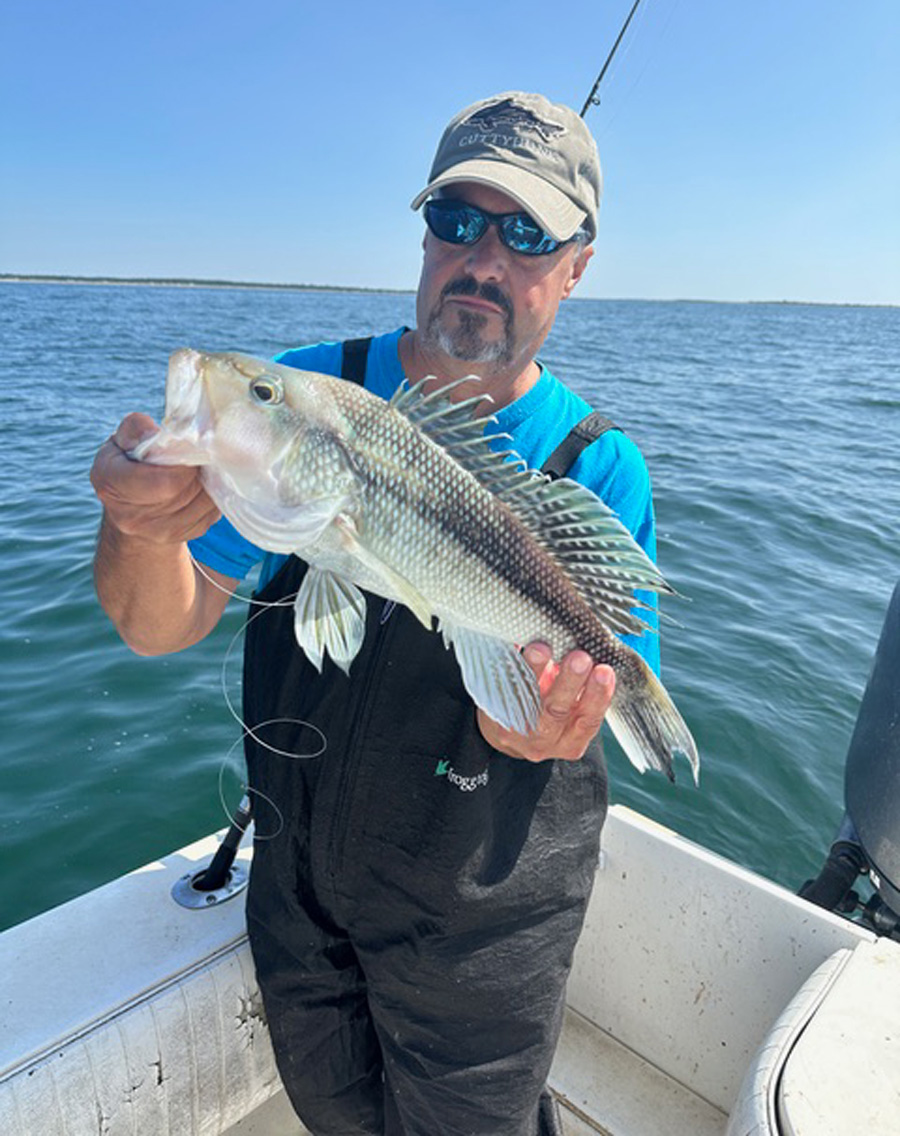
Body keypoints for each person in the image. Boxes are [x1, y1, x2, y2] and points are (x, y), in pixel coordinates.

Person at [90, 91, 660, 1136]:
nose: (482, 257)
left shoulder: (599, 466)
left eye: (527, 233)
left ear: (577, 265)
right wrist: (139, 526)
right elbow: (157, 625)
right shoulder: (316, 389)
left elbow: (555, 709)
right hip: (301, 897)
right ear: (424, 233)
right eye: (456, 221)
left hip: (484, 929)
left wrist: (543, 717)